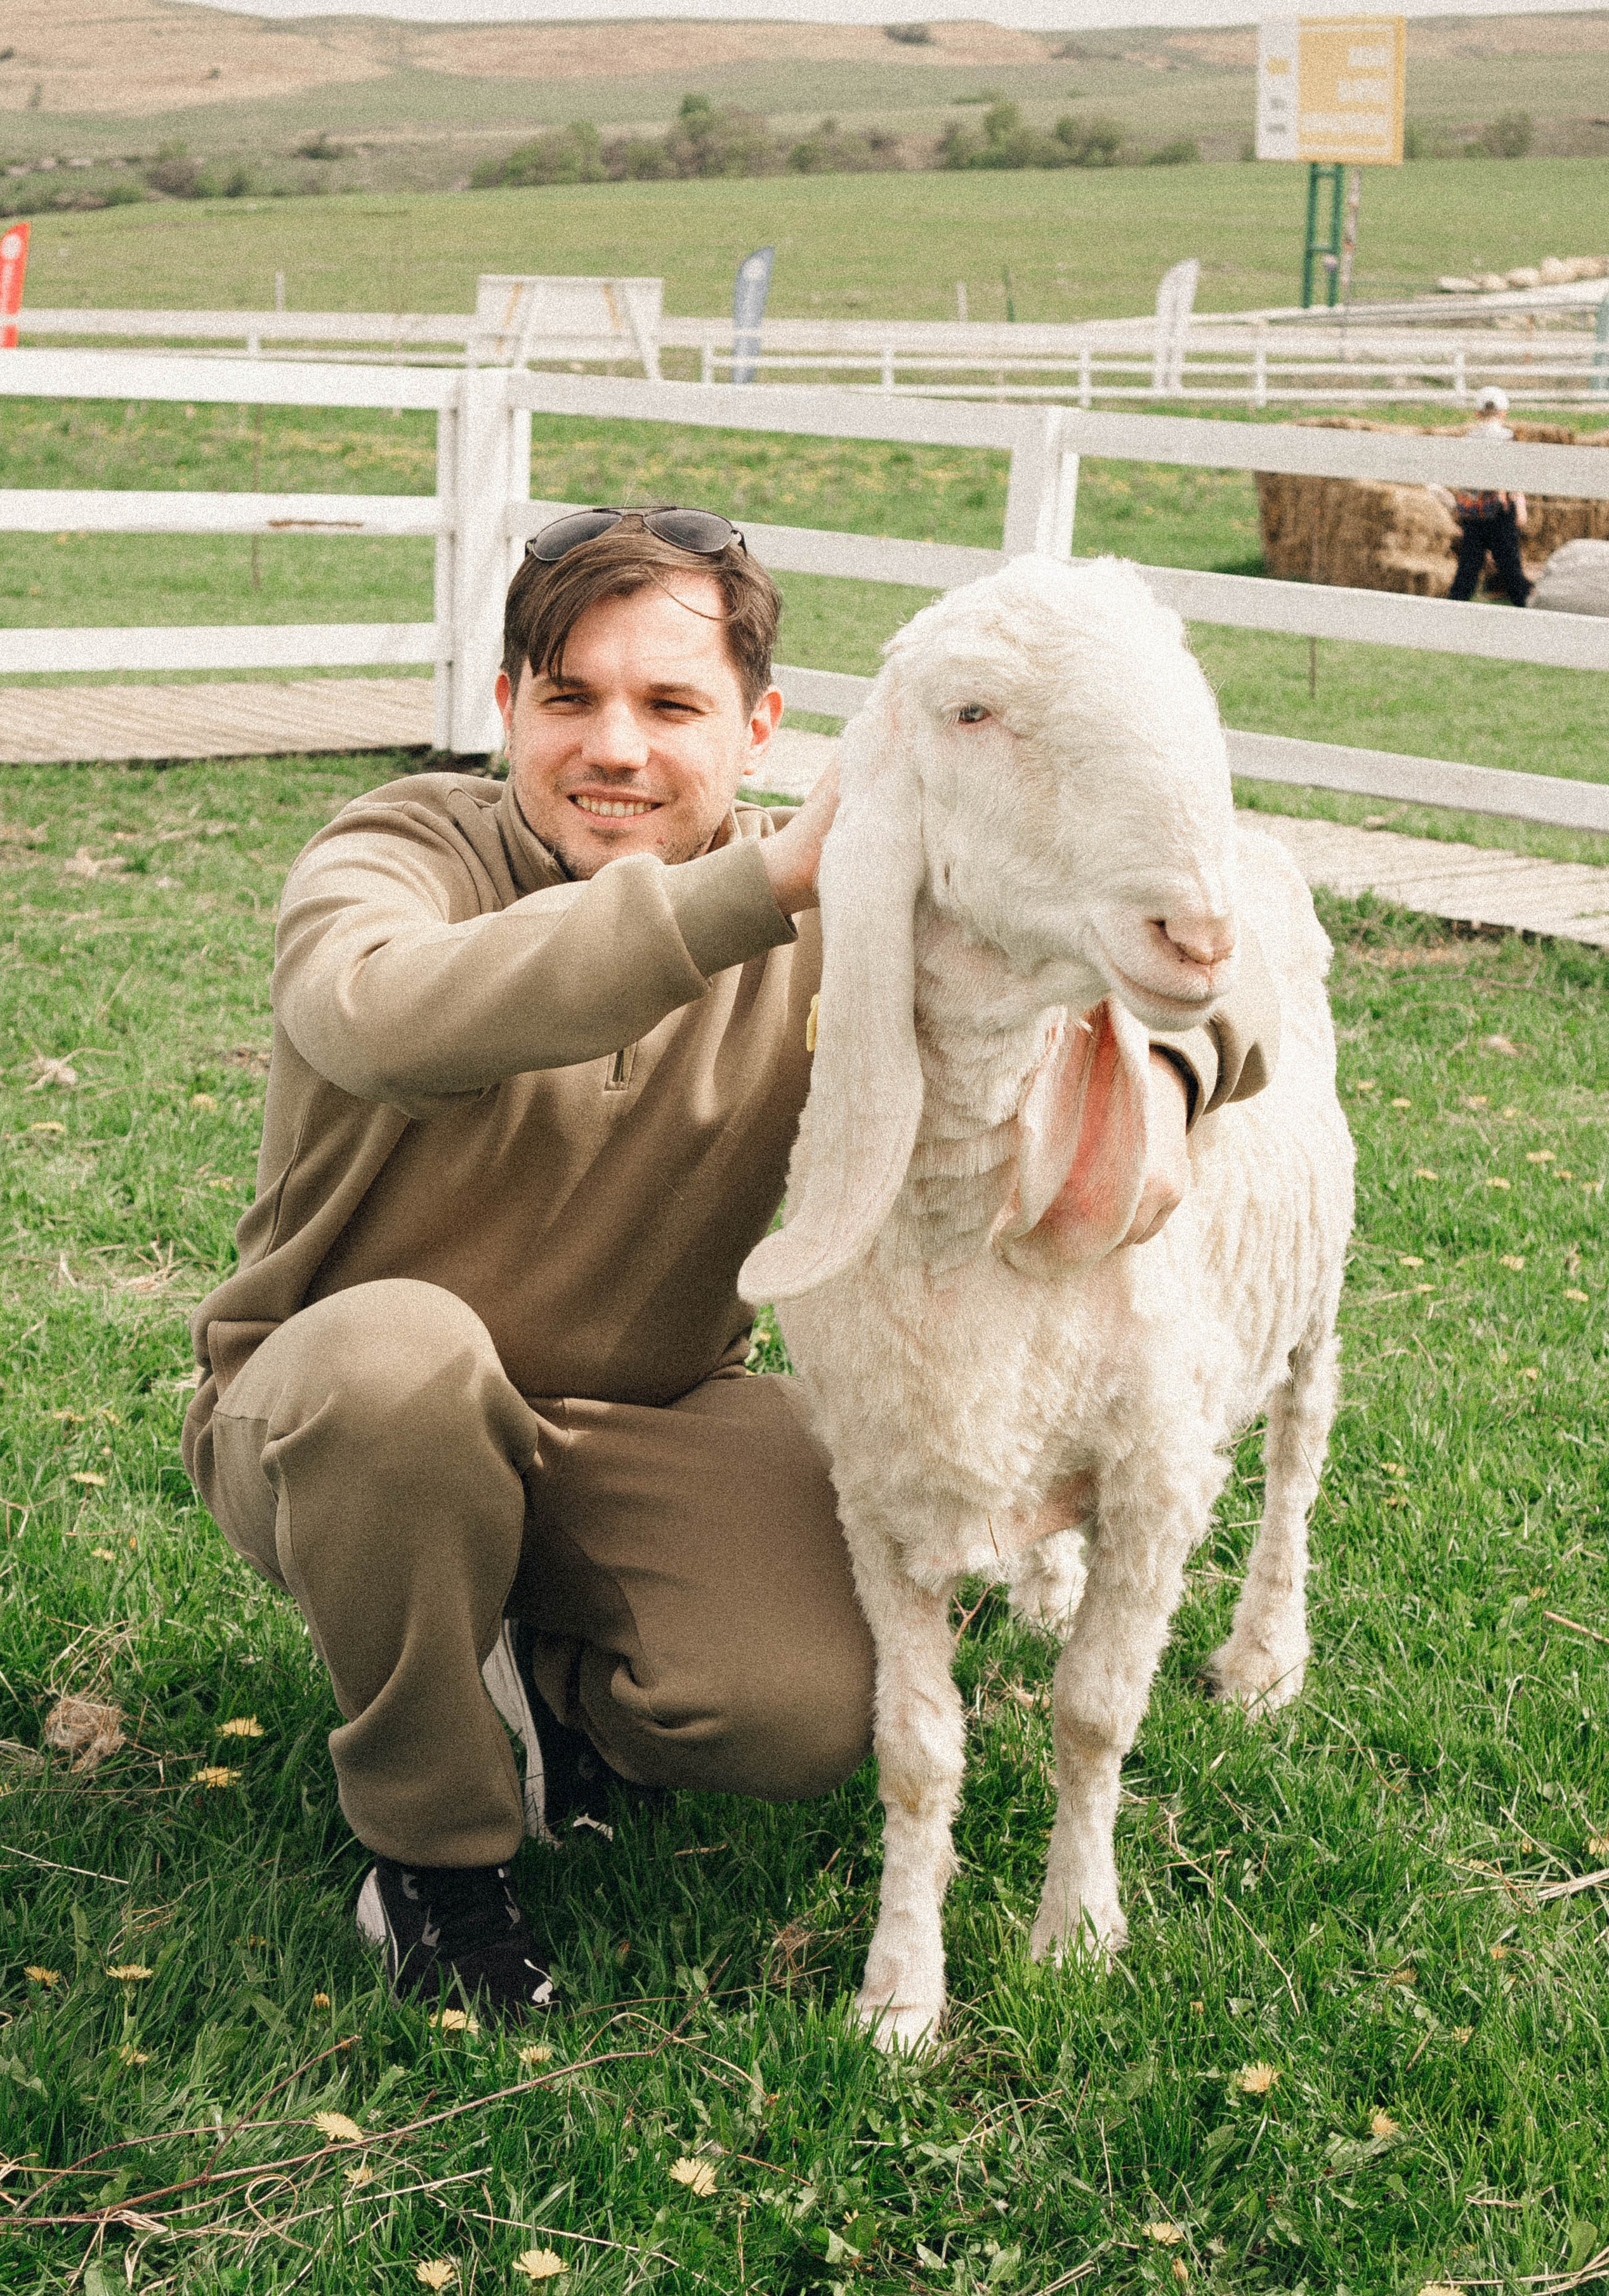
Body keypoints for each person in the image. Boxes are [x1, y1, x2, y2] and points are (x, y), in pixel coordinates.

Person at [181, 506, 1282, 2019]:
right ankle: (432, 1854)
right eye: (568, 698)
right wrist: (745, 896)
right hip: (339, 1419)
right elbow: (379, 1015)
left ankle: (546, 1671)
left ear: (760, 727)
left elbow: (1153, 972)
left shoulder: (840, 906)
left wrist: (1170, 1067)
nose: (614, 747)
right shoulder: (398, 851)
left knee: (799, 1708)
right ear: (506, 708)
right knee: (396, 1369)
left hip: (645, 1413)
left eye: (671, 705)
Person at [1430, 385, 1533, 607]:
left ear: (1477, 414)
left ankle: (1452, 611)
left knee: (1467, 571)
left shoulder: (1468, 441)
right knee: (1511, 569)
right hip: (1500, 513)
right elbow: (1514, 478)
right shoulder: (1509, 439)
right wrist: (1521, 507)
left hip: (1474, 515)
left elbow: (1459, 477)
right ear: (1504, 413)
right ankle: (1529, 608)